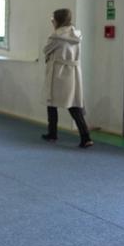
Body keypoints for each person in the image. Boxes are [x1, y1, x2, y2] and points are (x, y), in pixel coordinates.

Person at [42, 8, 94, 148]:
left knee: (52, 102)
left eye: (53, 19)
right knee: (74, 104)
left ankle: (52, 133)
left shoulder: (56, 36)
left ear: (58, 20)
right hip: (73, 72)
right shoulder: (76, 34)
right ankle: (85, 136)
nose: (52, 22)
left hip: (58, 73)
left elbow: (46, 50)